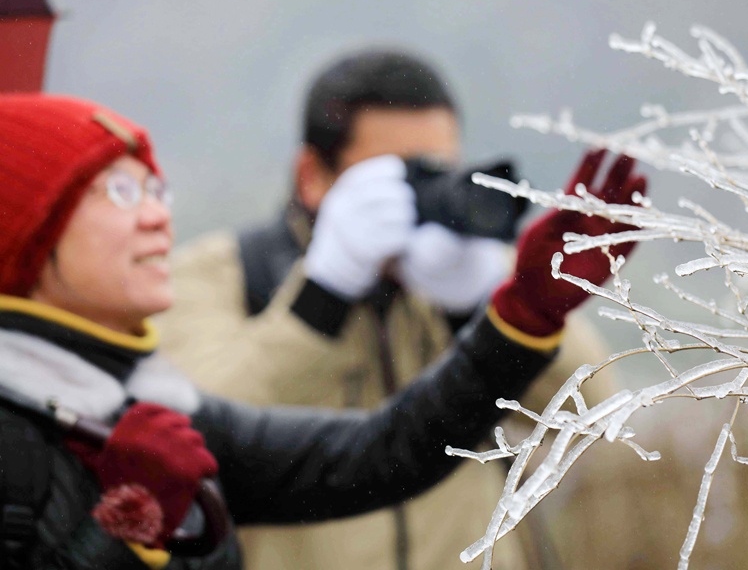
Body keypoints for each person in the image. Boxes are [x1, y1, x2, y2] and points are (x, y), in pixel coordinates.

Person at [0, 93, 646, 569]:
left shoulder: (131, 396)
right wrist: (128, 527)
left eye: (156, 191)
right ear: (25, 223)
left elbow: (380, 453)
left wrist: (515, 314)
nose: (155, 219)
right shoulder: (228, 279)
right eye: (118, 191)